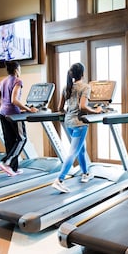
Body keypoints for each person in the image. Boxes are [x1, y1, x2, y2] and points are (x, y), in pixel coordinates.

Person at [51, 62, 103, 193]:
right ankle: (59, 180)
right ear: (83, 74)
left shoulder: (66, 87)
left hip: (68, 122)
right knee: (73, 152)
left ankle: (85, 173)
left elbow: (59, 108)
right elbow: (83, 106)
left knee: (81, 149)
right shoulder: (85, 87)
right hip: (80, 123)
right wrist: (96, 111)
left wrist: (69, 112)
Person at [0, 61, 37, 176]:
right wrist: (28, 110)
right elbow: (14, 100)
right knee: (22, 139)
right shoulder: (18, 81)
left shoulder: (2, 82)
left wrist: (4, 108)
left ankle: (13, 169)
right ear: (16, 70)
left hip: (2, 113)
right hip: (13, 114)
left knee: (10, 141)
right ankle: (6, 162)